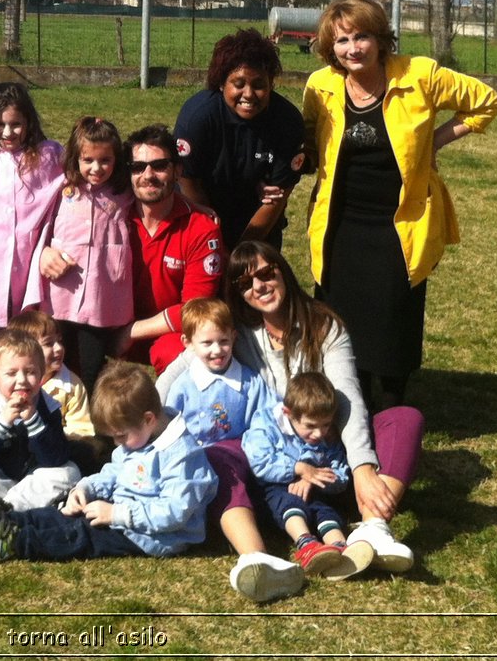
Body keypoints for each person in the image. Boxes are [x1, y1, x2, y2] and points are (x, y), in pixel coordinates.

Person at [155, 241, 424, 603]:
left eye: (267, 274)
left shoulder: (324, 327)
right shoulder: (237, 334)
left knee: (404, 419)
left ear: (283, 271)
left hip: (330, 463)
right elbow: (181, 367)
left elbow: (347, 399)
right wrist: (145, 424)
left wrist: (361, 466)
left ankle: (373, 528)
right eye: (246, 283)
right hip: (272, 470)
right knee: (220, 454)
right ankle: (256, 558)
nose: (259, 286)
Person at [304, 0, 497, 408]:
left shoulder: (420, 74)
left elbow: (486, 102)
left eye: (361, 37)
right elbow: (308, 137)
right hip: (341, 224)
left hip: (400, 225)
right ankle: (348, 405)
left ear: (380, 39)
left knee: (395, 321)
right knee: (339, 322)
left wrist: (436, 141)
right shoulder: (320, 85)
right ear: (330, 47)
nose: (352, 48)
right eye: (341, 40)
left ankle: (392, 408)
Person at [0, 362, 216, 563]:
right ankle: (5, 522)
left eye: (120, 435)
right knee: (63, 512)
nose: (118, 443)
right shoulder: (137, 437)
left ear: (149, 419)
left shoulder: (183, 456)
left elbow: (175, 512)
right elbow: (113, 471)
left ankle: (14, 541)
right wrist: (84, 489)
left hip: (152, 536)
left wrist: (116, 513)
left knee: (81, 534)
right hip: (120, 510)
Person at [173, 29, 306, 245]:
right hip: (201, 216)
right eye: (239, 83)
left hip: (259, 225)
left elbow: (276, 198)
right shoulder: (197, 117)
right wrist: (217, 245)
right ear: (221, 83)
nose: (249, 94)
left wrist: (241, 255)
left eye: (259, 85)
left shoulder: (287, 122)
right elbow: (188, 184)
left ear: (271, 83)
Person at [35, 115, 134, 393]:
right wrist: (44, 253)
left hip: (101, 301)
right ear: (75, 158)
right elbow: (38, 228)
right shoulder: (62, 189)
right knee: (52, 365)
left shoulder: (125, 193)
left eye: (105, 160)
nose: (96, 168)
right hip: (60, 297)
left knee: (92, 370)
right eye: (88, 159)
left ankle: (92, 426)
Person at [0, 83, 64, 339]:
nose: (7, 132)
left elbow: (79, 173)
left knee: (22, 337)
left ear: (28, 122)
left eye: (15, 124)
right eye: (0, 124)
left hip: (26, 263)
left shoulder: (48, 156)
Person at [242, 370, 369, 579]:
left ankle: (341, 547)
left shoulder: (328, 437)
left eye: (326, 424)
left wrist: (317, 479)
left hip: (314, 491)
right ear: (288, 413)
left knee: (323, 509)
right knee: (289, 502)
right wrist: (299, 469)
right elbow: (260, 461)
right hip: (272, 489)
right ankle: (306, 543)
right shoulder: (266, 424)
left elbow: (341, 472)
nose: (319, 433)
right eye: (310, 426)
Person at [118, 126, 223, 372]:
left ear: (177, 171)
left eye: (159, 166)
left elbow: (196, 308)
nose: (148, 175)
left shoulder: (202, 228)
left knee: (173, 353)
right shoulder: (112, 215)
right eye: (137, 167)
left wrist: (131, 332)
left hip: (172, 332)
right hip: (112, 325)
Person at [0, 328, 80, 510]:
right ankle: (19, 503)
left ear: (41, 373)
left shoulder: (48, 405)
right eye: (11, 373)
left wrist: (33, 420)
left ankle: (7, 507)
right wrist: (2, 421)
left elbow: (55, 458)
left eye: (30, 372)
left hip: (35, 475)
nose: (22, 380)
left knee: (70, 472)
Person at [160, 297, 271, 449]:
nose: (217, 350)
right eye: (207, 343)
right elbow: (169, 428)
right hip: (193, 455)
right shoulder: (183, 386)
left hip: (236, 455)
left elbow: (266, 417)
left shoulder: (249, 381)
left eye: (224, 341)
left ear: (233, 337)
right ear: (189, 343)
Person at [7, 308, 102, 475]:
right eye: (49, 343)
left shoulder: (72, 384)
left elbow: (81, 431)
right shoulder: (11, 383)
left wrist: (52, 438)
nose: (58, 348)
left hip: (57, 451)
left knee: (82, 455)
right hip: (19, 450)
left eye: (59, 341)